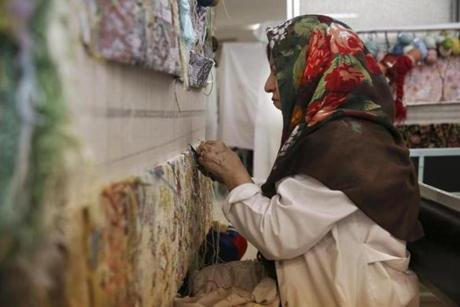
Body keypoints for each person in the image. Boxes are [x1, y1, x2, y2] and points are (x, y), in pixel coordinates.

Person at [179, 15, 423, 307]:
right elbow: (306, 201)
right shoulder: (345, 134)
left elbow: (278, 235)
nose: (269, 86)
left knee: (200, 288)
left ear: (314, 70)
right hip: (340, 280)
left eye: (278, 72)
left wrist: (236, 178)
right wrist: (237, 178)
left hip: (355, 295)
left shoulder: (346, 144)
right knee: (203, 280)